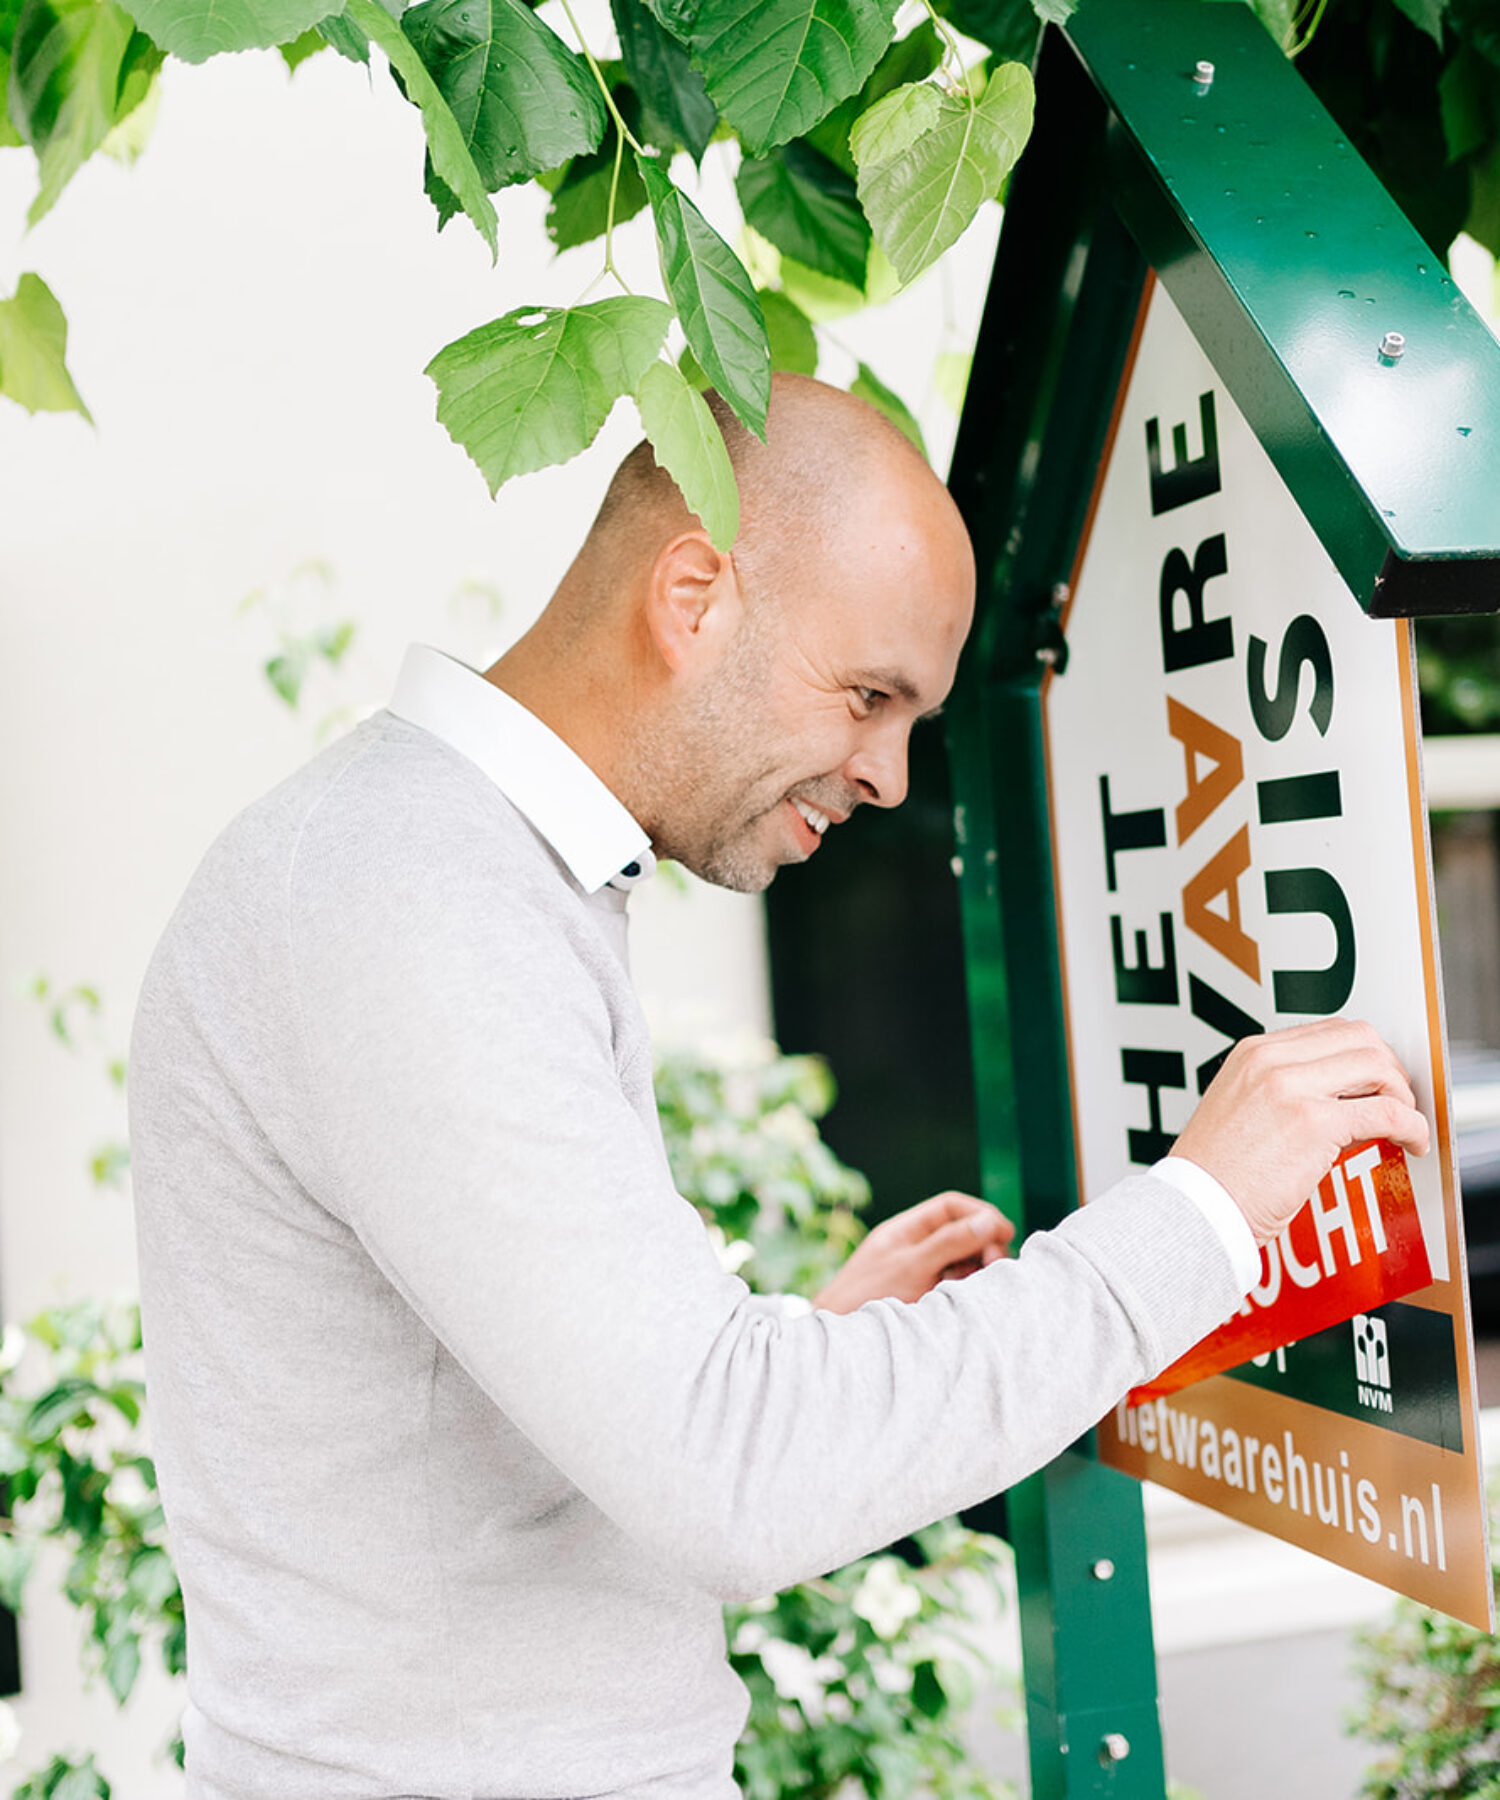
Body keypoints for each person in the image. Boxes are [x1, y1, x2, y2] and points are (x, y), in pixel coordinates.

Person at [129, 375, 1429, 1800]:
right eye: (870, 695)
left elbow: (502, 1463)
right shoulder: (410, 894)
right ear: (692, 598)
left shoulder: (461, 873)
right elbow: (731, 1479)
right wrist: (1204, 1213)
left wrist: (804, 1358)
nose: (888, 775)